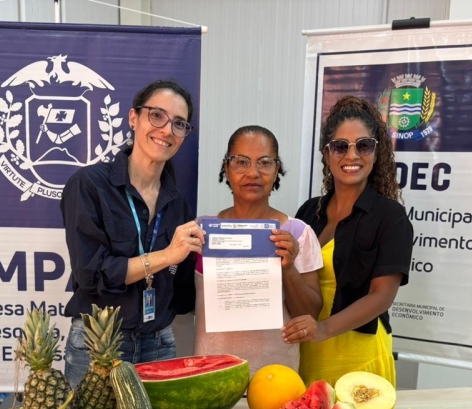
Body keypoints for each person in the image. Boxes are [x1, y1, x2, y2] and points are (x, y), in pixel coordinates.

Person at [61, 80, 204, 389]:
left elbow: (181, 295)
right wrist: (166, 256)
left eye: (179, 123)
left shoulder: (178, 204)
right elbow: (92, 275)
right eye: (157, 115)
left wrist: (227, 265)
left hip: (159, 343)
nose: (167, 130)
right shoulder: (88, 185)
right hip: (99, 345)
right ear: (133, 118)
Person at [282, 96, 413, 387]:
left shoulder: (390, 216)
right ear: (327, 154)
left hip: (361, 357)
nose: (351, 156)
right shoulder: (308, 213)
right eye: (340, 146)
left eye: (363, 145)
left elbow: (382, 295)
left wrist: (324, 329)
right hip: (309, 353)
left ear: (376, 153)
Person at [194, 125, 323, 376]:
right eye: (241, 162)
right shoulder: (201, 233)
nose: (253, 173)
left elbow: (310, 314)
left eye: (264, 163)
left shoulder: (298, 233)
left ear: (277, 170)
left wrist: (288, 269)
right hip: (211, 375)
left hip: (275, 376)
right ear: (227, 168)